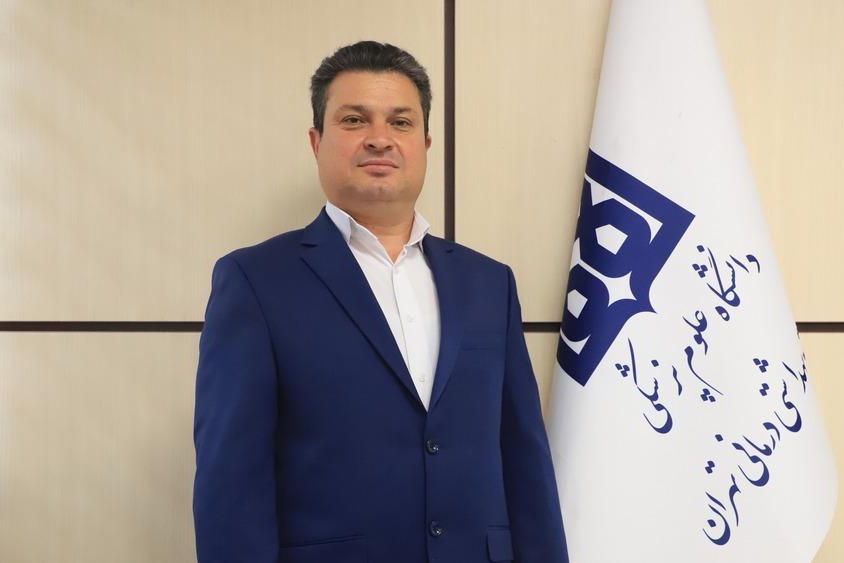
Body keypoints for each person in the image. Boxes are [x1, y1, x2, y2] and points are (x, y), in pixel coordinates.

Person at [192, 40, 569, 563]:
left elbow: (525, 462)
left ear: (425, 143)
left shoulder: (489, 283)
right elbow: (230, 484)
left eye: (400, 122)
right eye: (354, 120)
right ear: (316, 141)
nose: (379, 138)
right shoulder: (256, 281)